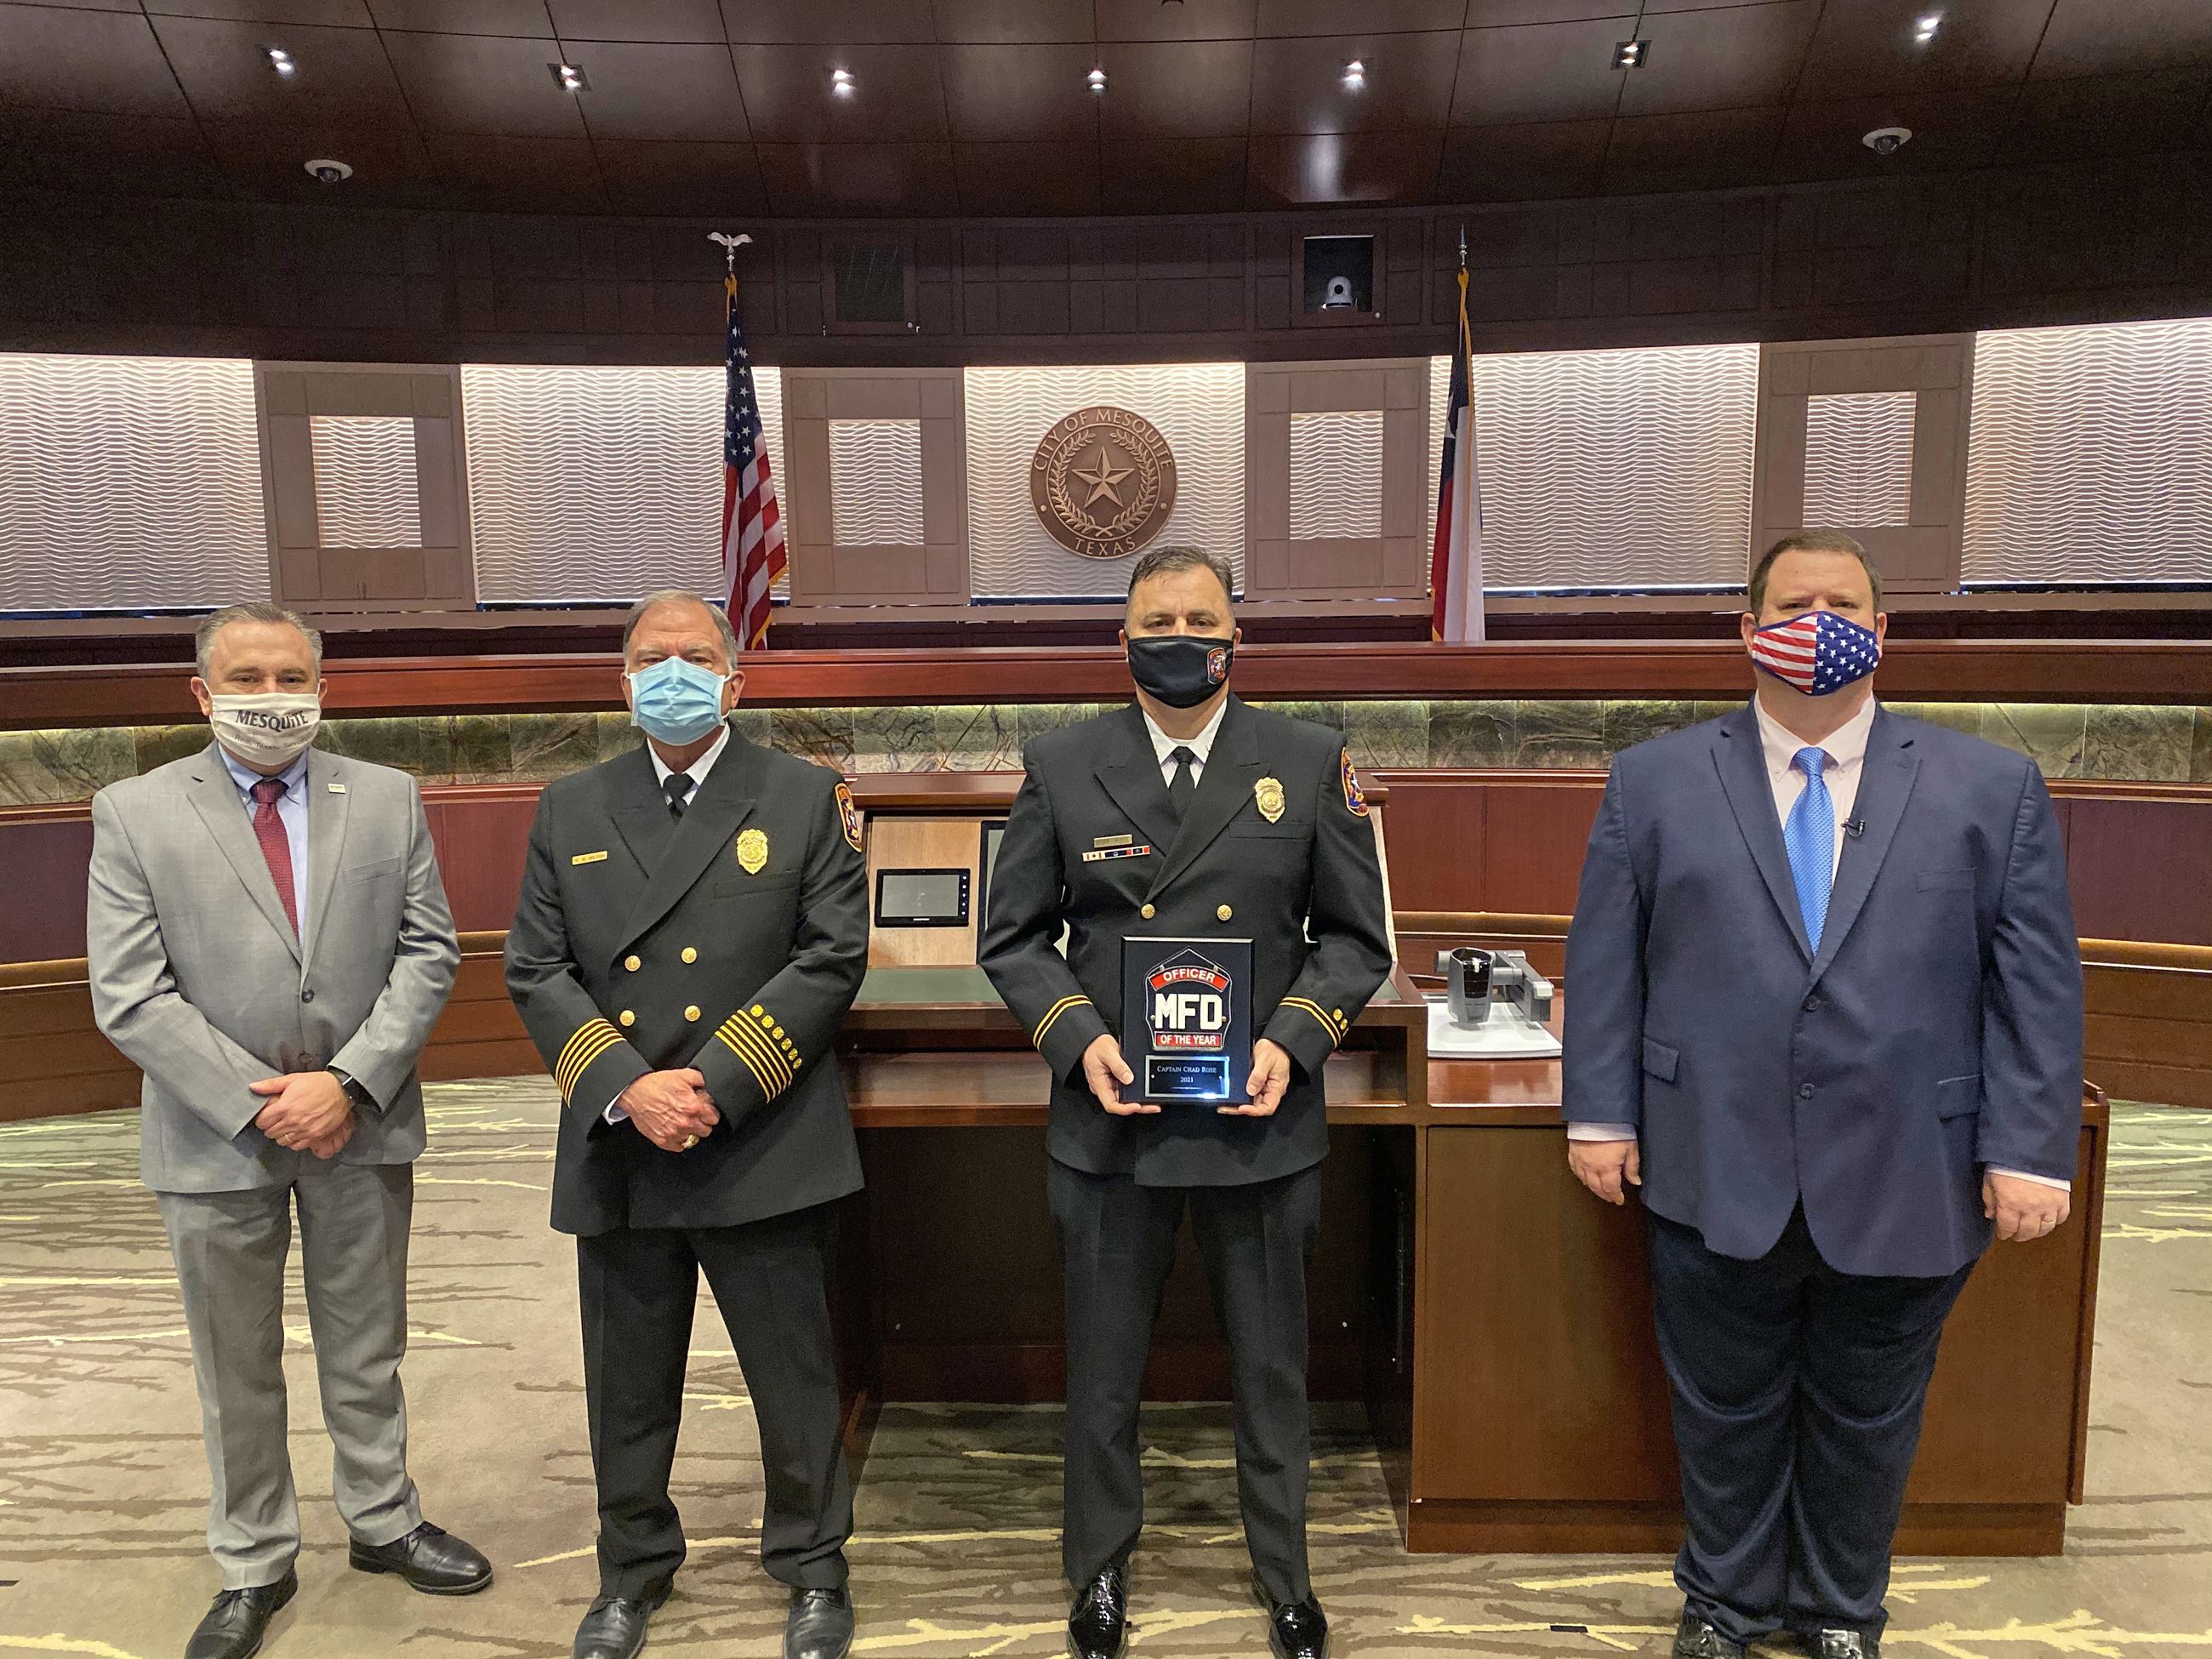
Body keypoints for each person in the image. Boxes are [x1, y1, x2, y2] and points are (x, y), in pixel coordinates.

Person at [1562, 531, 2084, 1659]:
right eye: (1792, 602)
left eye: (1842, 602)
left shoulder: (1990, 787)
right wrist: (1599, 1115)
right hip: (1710, 1154)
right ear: (1749, 630)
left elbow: (2034, 982)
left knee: (1867, 1415)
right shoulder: (1652, 779)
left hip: (1912, 1168)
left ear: (1883, 630)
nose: (1818, 619)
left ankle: (1843, 1608)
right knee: (1723, 1408)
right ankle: (1725, 1602)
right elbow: (1609, 965)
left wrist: (2032, 1147)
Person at [978, 545, 1393, 1659]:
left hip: (1258, 1117)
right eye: (1156, 619)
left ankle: (1286, 1578)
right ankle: (1100, 1573)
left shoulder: (1307, 760)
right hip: (1112, 1120)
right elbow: (1012, 934)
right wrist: (1076, 1036)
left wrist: (1295, 1041)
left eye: (1200, 618)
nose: (1179, 636)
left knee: (1271, 1370)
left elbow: (1358, 939)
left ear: (1235, 637)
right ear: (1122, 639)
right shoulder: (1063, 763)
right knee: (1104, 1372)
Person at [85, 602, 487, 1659]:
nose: (273, 697)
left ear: (323, 685)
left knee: (367, 1342)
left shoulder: (388, 798)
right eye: (248, 678)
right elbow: (129, 993)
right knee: (238, 1360)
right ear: (202, 695)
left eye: (290, 676)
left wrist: (346, 1083)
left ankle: (382, 1518)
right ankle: (254, 1558)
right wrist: (262, 1096)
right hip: (213, 1136)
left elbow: (428, 953)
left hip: (362, 1120)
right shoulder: (134, 810)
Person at [504, 590, 869, 1659]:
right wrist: (628, 1082)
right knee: (628, 1376)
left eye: (695, 656)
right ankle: (631, 1571)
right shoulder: (571, 804)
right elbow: (533, 966)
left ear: (734, 679)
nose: (673, 673)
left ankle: (811, 1564)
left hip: (758, 1130)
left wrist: (709, 1082)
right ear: (622, 682)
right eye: (651, 658)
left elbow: (830, 955)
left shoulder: (802, 796)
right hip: (624, 1136)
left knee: (791, 1375)